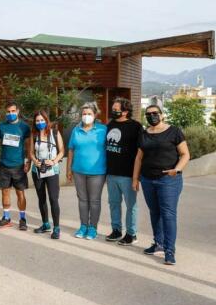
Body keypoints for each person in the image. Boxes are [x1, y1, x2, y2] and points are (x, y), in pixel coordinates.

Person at [132, 105, 190, 265]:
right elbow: (138, 158)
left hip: (168, 180)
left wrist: (177, 170)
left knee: (168, 214)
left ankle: (169, 250)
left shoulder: (174, 131)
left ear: (162, 115)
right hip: (148, 180)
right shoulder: (144, 135)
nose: (152, 116)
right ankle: (158, 243)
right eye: (148, 114)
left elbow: (185, 154)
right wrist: (135, 179)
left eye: (155, 113)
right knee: (154, 212)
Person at [105, 97, 143, 245]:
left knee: (130, 206)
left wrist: (136, 177)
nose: (113, 111)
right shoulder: (110, 125)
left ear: (125, 111)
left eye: (116, 109)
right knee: (113, 203)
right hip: (111, 173)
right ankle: (116, 230)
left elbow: (141, 152)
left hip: (128, 174)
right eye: (113, 109)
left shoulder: (136, 127)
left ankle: (131, 234)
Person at [67, 102, 107, 240]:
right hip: (78, 171)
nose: (86, 116)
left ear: (95, 115)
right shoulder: (76, 130)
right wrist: (69, 170)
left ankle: (93, 228)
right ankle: (83, 225)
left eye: (89, 114)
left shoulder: (103, 130)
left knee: (94, 201)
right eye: (84, 114)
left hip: (98, 172)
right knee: (82, 200)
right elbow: (71, 150)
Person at [0, 102, 31, 230]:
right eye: (8, 111)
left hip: (19, 166)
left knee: (20, 193)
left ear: (18, 111)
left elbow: (29, 145)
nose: (10, 114)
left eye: (13, 111)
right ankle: (6, 217)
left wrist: (28, 161)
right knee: (5, 192)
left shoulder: (24, 127)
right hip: (4, 165)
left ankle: (22, 219)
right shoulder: (1, 126)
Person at [29, 110, 64, 239]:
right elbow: (31, 152)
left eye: (42, 120)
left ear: (46, 120)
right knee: (41, 198)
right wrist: (34, 161)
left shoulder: (55, 132)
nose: (40, 123)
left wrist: (53, 161)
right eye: (37, 121)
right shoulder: (34, 135)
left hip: (52, 170)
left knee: (53, 199)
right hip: (37, 170)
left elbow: (62, 151)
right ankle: (45, 224)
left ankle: (56, 227)